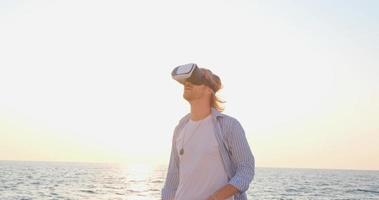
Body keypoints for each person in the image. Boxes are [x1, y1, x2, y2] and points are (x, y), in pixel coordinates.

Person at [161, 63, 255, 200]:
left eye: (196, 79)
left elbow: (246, 168)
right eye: (186, 80)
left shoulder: (228, 126)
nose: (188, 83)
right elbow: (172, 179)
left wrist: (216, 197)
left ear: (209, 90)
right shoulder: (180, 128)